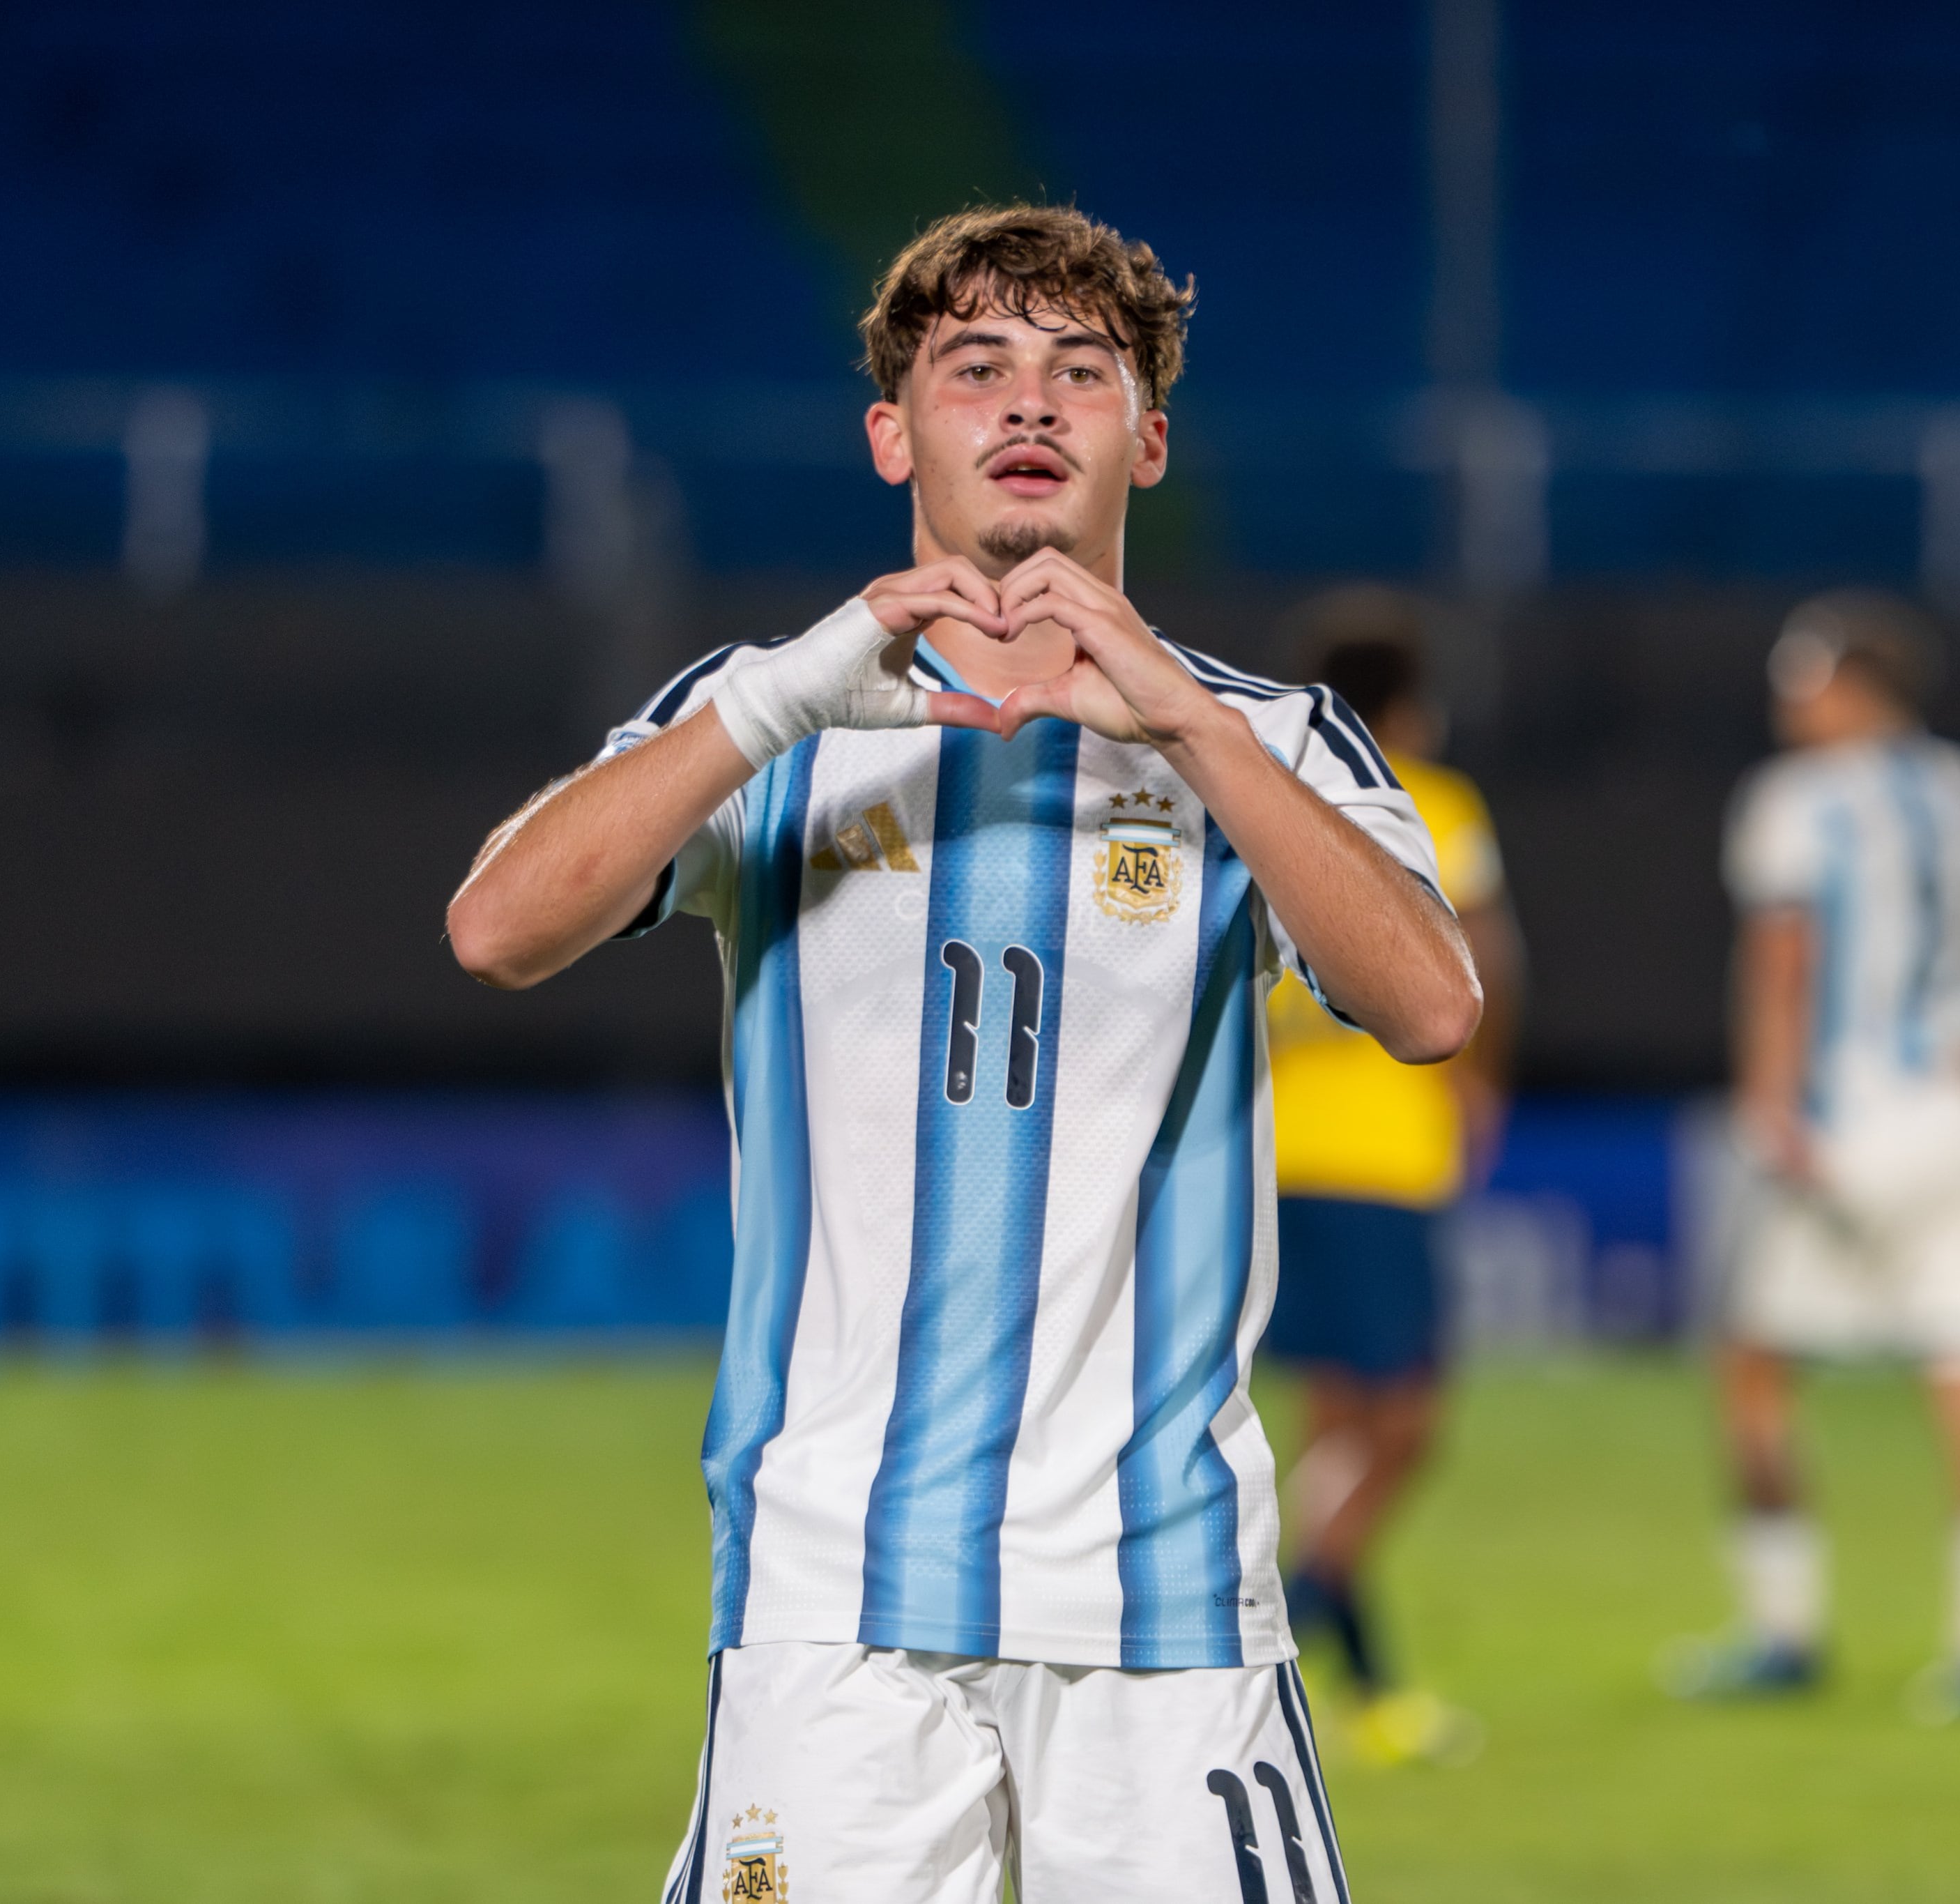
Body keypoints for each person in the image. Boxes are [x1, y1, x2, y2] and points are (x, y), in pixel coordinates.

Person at [446, 204, 1478, 1903]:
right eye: (973, 369)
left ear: (1146, 438)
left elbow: (1430, 1008)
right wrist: (779, 701)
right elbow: (498, 930)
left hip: (1161, 1606)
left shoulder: (1269, 741)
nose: (1026, 406)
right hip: (834, 1590)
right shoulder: (769, 720)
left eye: (1081, 373)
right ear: (892, 433)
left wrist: (1191, 727)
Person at [1668, 588, 1960, 1724]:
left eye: (1803, 672)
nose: (1786, 693)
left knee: (1751, 1371)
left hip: (1854, 1115)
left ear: (1853, 685)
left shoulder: (1796, 799)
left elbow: (1786, 955)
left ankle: (1783, 1633)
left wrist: (1769, 1102)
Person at [1260, 588, 1521, 1767]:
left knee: (1331, 1429)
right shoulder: (1430, 799)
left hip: (1270, 1147)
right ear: (1412, 704)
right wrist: (1481, 1085)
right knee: (1404, 1427)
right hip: (1379, 1152)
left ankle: (1367, 1692)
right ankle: (1281, 1623)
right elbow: (1484, 951)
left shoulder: (1267, 795)